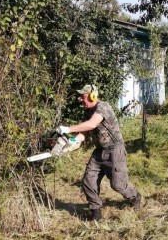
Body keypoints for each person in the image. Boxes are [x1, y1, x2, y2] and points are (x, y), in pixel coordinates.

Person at [56, 84, 141, 222]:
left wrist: (67, 128)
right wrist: (70, 144)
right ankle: (96, 214)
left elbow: (91, 124)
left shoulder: (103, 107)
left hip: (114, 150)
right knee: (88, 181)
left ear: (92, 96)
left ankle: (135, 197)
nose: (80, 99)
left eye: (83, 97)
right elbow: (83, 133)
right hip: (99, 151)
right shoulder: (88, 111)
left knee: (117, 185)